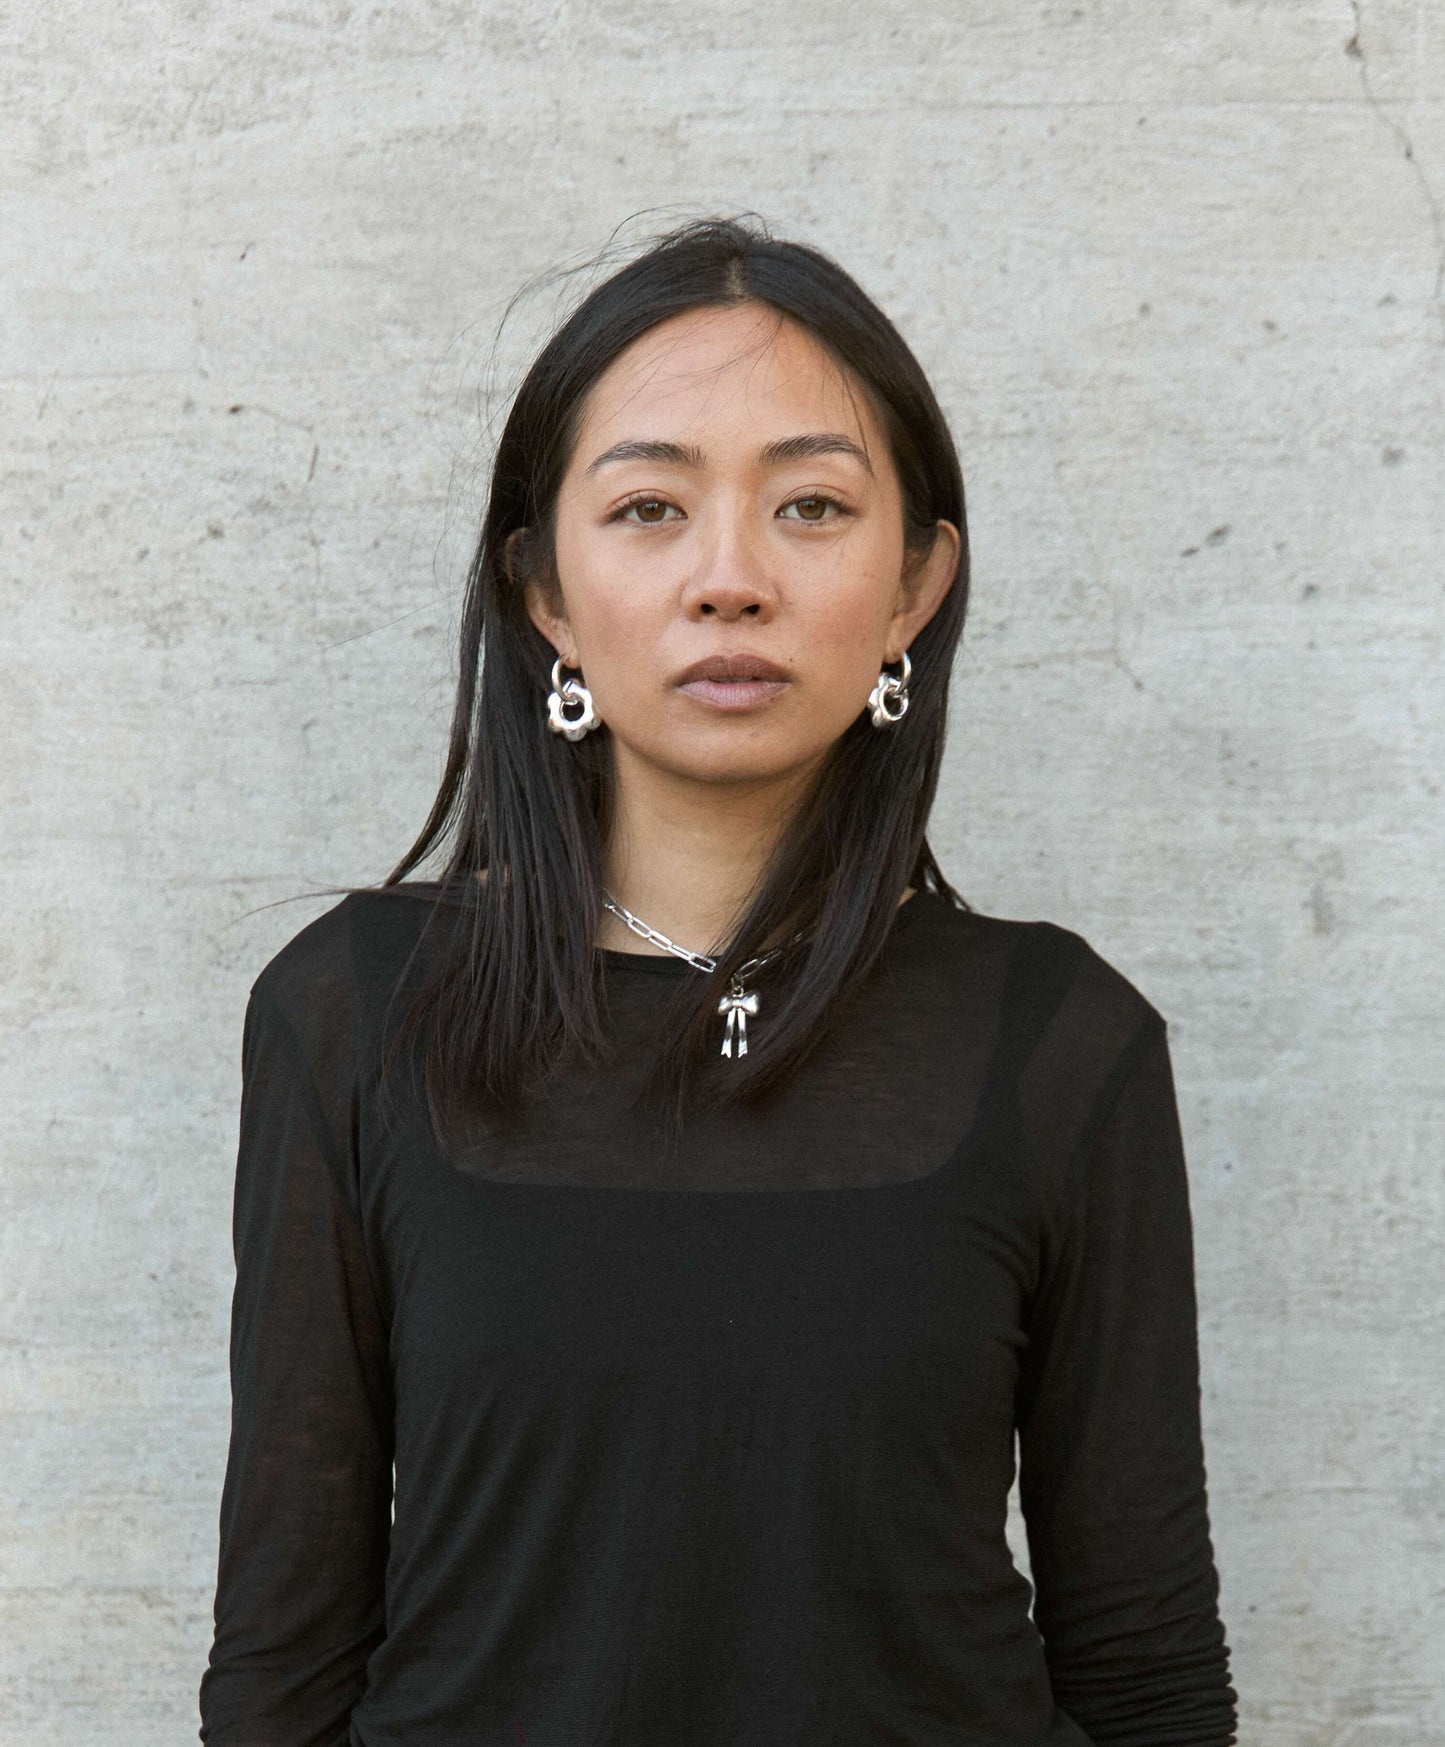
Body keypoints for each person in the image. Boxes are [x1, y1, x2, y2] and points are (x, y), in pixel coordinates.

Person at [198, 214, 1239, 1746]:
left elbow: (1144, 1669)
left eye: (811, 505)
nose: (729, 577)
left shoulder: (1058, 1039)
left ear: (910, 589)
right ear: (543, 590)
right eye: (647, 509)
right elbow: (280, 1670)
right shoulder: (354, 1012)